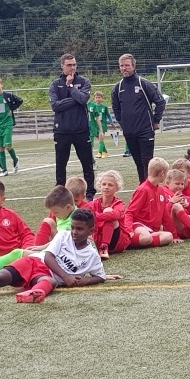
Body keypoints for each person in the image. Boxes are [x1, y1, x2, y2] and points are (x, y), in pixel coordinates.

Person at [0, 208, 106, 305]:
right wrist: (66, 277)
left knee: (50, 282)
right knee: (1, 277)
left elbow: (100, 277)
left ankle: (31, 295)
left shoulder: (92, 255)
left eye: (79, 229)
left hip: (45, 276)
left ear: (90, 231)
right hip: (34, 262)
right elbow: (48, 257)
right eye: (73, 227)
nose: (74, 232)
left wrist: (84, 281)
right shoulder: (63, 235)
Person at [111, 54, 166, 183]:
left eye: (127, 65)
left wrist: (156, 120)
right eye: (121, 66)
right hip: (129, 132)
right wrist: (123, 123)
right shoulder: (117, 88)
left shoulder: (143, 83)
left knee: (147, 162)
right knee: (138, 162)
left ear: (133, 66)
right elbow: (116, 108)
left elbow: (160, 102)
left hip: (145, 130)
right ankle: (143, 188)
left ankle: (150, 189)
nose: (124, 68)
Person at [49, 53, 96, 200]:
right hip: (62, 131)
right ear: (62, 66)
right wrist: (74, 99)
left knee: (87, 163)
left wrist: (70, 87)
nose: (72, 67)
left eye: (74, 64)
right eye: (69, 65)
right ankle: (59, 194)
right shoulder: (55, 85)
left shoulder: (84, 82)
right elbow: (55, 106)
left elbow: (83, 99)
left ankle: (90, 193)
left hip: (81, 130)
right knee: (60, 165)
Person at [124, 157, 174, 248]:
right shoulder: (143, 190)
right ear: (162, 173)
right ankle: (126, 241)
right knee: (146, 237)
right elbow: (129, 212)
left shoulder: (160, 190)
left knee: (169, 236)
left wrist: (175, 235)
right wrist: (128, 230)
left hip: (152, 229)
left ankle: (143, 241)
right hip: (139, 225)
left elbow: (164, 214)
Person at [91, 170, 133, 259]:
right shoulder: (94, 203)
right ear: (100, 186)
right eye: (104, 184)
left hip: (117, 241)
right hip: (98, 238)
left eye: (110, 185)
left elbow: (115, 215)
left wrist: (96, 216)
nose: (106, 187)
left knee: (108, 211)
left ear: (117, 188)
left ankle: (104, 247)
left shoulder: (119, 203)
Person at [0, 77, 22, 177]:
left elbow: (20, 100)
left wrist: (12, 108)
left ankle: (15, 159)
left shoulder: (8, 95)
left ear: (1, 85)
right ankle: (4, 170)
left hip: (7, 123)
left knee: (7, 146)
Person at [88, 90, 115, 159]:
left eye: (99, 97)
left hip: (102, 125)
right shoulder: (93, 106)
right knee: (100, 140)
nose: (98, 99)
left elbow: (108, 115)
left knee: (101, 139)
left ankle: (99, 153)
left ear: (102, 98)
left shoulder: (104, 107)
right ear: (94, 98)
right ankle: (105, 152)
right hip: (95, 126)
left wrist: (112, 122)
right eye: (96, 97)